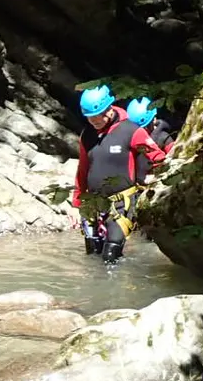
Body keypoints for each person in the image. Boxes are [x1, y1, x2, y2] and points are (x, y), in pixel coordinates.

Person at [72, 85, 168, 263]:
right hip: (93, 204)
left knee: (111, 254)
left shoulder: (130, 130)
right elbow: (83, 169)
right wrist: (77, 201)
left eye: (97, 115)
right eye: (89, 117)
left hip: (120, 204)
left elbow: (159, 157)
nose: (93, 120)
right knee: (92, 255)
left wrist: (155, 180)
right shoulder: (87, 135)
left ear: (109, 109)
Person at [125, 97, 175, 183]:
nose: (145, 130)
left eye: (147, 126)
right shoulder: (132, 142)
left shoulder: (164, 138)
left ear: (154, 119)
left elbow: (175, 156)